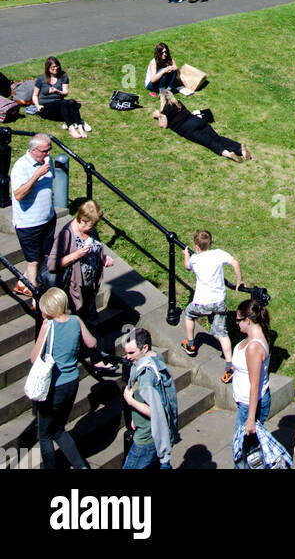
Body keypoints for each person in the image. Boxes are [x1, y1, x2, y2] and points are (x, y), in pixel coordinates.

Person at [30, 287, 98, 470]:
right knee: (59, 429)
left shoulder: (48, 325)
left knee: (45, 434)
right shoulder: (76, 320)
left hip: (54, 386)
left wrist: (44, 329)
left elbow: (33, 358)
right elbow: (92, 343)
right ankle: (80, 466)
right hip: (72, 382)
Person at [182, 229, 242, 383]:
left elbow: (187, 266)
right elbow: (235, 262)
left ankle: (190, 344)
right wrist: (239, 280)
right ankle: (230, 365)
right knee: (222, 333)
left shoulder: (195, 258)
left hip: (202, 302)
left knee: (189, 314)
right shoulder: (218, 254)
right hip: (219, 302)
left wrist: (185, 254)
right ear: (211, 243)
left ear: (196, 246)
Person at [45, 200, 114, 332]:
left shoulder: (92, 231)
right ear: (81, 220)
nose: (93, 227)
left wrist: (102, 258)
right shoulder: (67, 234)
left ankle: (91, 347)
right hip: (74, 290)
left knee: (91, 322)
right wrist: (75, 255)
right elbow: (52, 264)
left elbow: (94, 249)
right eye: (91, 224)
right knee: (77, 324)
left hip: (90, 287)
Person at [122, 328, 177, 469]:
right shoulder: (156, 358)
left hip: (146, 437)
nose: (127, 357)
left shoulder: (146, 375)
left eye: (131, 352)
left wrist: (130, 401)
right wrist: (136, 417)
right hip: (154, 434)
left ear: (144, 348)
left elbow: (154, 411)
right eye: (126, 352)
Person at [11, 134, 55, 303]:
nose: (48, 153)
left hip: (47, 219)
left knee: (44, 255)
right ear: (34, 150)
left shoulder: (46, 161)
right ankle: (35, 296)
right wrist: (36, 175)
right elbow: (19, 195)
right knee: (33, 261)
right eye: (45, 150)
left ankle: (24, 283)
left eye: (50, 149)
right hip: (29, 224)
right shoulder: (20, 167)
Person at [153, 93, 250, 163]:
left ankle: (229, 155)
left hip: (188, 129)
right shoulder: (178, 103)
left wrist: (158, 116)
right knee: (217, 138)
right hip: (197, 121)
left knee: (210, 143)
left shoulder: (164, 111)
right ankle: (240, 149)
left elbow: (164, 126)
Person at [231, 298, 271, 459]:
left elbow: (254, 385)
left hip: (250, 406)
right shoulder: (255, 338)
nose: (236, 323)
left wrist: (250, 419)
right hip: (246, 403)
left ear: (248, 320)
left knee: (243, 453)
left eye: (238, 320)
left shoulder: (254, 347)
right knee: (249, 450)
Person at [33, 57, 89, 139]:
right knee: (63, 103)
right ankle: (71, 128)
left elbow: (65, 93)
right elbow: (34, 95)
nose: (56, 69)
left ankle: (80, 126)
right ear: (48, 68)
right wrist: (37, 106)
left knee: (72, 102)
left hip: (59, 105)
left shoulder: (63, 76)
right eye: (53, 67)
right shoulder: (41, 79)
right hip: (45, 106)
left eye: (57, 66)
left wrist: (57, 91)